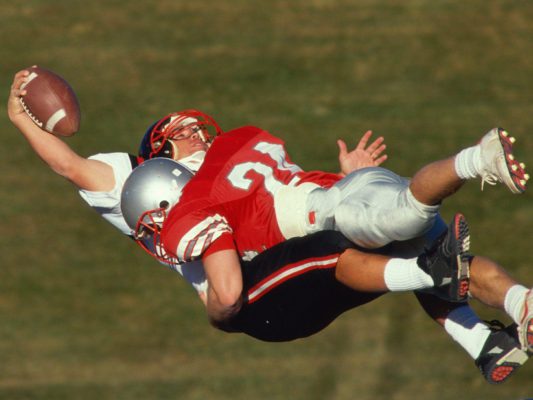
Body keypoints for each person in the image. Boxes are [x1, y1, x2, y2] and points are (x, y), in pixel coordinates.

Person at [8, 68, 529, 384]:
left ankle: (500, 326)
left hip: (300, 232)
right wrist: (20, 117)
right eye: (183, 131)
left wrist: (350, 178)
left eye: (194, 125)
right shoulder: (152, 187)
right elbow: (70, 165)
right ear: (159, 155)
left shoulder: (230, 154)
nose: (195, 130)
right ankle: (434, 265)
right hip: (255, 292)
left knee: (413, 233)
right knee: (342, 249)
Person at [125, 112, 533, 382]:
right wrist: (349, 174)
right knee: (443, 255)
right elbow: (280, 186)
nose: (194, 134)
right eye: (182, 133)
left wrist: (214, 305)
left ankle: (476, 160)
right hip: (344, 190)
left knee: (415, 221)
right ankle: (502, 323)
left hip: (333, 214)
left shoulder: (192, 204)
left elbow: (228, 281)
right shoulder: (240, 139)